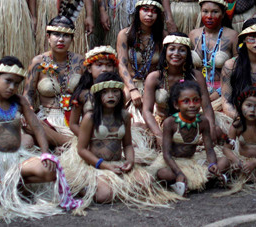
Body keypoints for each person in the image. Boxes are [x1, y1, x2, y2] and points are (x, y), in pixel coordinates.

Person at [0, 57, 81, 218]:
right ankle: (5, 186)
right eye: (8, 81)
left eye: (16, 83)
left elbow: (37, 128)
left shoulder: (20, 102)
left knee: (48, 171)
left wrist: (45, 153)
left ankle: (10, 184)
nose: (12, 87)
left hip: (17, 158)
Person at [60, 73, 175, 206]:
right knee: (104, 195)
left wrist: (130, 161)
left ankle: (116, 186)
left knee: (146, 181)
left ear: (121, 94)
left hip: (118, 163)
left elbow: (127, 145)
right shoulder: (90, 118)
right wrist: (103, 165)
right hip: (96, 165)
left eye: (115, 91)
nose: (111, 95)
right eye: (105, 92)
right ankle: (84, 186)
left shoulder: (124, 116)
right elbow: (81, 149)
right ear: (98, 95)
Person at [149, 79, 230, 195]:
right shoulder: (170, 123)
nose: (192, 105)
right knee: (162, 173)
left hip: (192, 160)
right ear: (176, 105)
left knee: (224, 162)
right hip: (173, 162)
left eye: (196, 100)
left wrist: (212, 164)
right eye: (186, 101)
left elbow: (209, 149)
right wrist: (178, 173)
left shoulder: (203, 121)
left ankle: (189, 182)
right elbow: (166, 154)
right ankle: (201, 180)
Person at [142, 34, 218, 142]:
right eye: (172, 49)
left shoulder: (196, 76)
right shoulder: (154, 78)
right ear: (165, 52)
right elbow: (146, 111)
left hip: (191, 123)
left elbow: (206, 106)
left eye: (182, 50)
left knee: (218, 132)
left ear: (187, 54)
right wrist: (159, 135)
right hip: (162, 124)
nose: (176, 53)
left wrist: (211, 127)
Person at [26, 16, 85, 139]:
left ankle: (67, 142)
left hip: (75, 118)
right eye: (56, 34)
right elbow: (28, 95)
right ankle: (70, 142)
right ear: (48, 37)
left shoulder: (80, 62)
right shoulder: (38, 62)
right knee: (30, 124)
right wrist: (29, 112)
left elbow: (88, 93)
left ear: (72, 39)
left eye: (66, 35)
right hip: (47, 119)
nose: (61, 39)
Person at [115, 0, 165, 123]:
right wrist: (132, 89)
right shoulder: (125, 35)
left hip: (153, 85)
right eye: (145, 10)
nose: (149, 14)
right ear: (138, 12)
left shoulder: (163, 36)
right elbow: (121, 64)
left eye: (154, 11)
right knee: (119, 103)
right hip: (131, 83)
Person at [189, 0, 238, 108]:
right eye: (205, 11)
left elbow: (238, 68)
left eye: (215, 12)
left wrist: (219, 92)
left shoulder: (232, 36)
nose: (209, 16)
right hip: (195, 90)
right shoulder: (193, 34)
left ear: (223, 14)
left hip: (223, 92)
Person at [67, 46, 120, 135]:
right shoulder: (82, 94)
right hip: (88, 137)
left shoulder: (118, 92)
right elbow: (73, 124)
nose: (104, 69)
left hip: (115, 137)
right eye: (99, 65)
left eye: (109, 65)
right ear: (89, 68)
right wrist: (86, 139)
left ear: (114, 69)